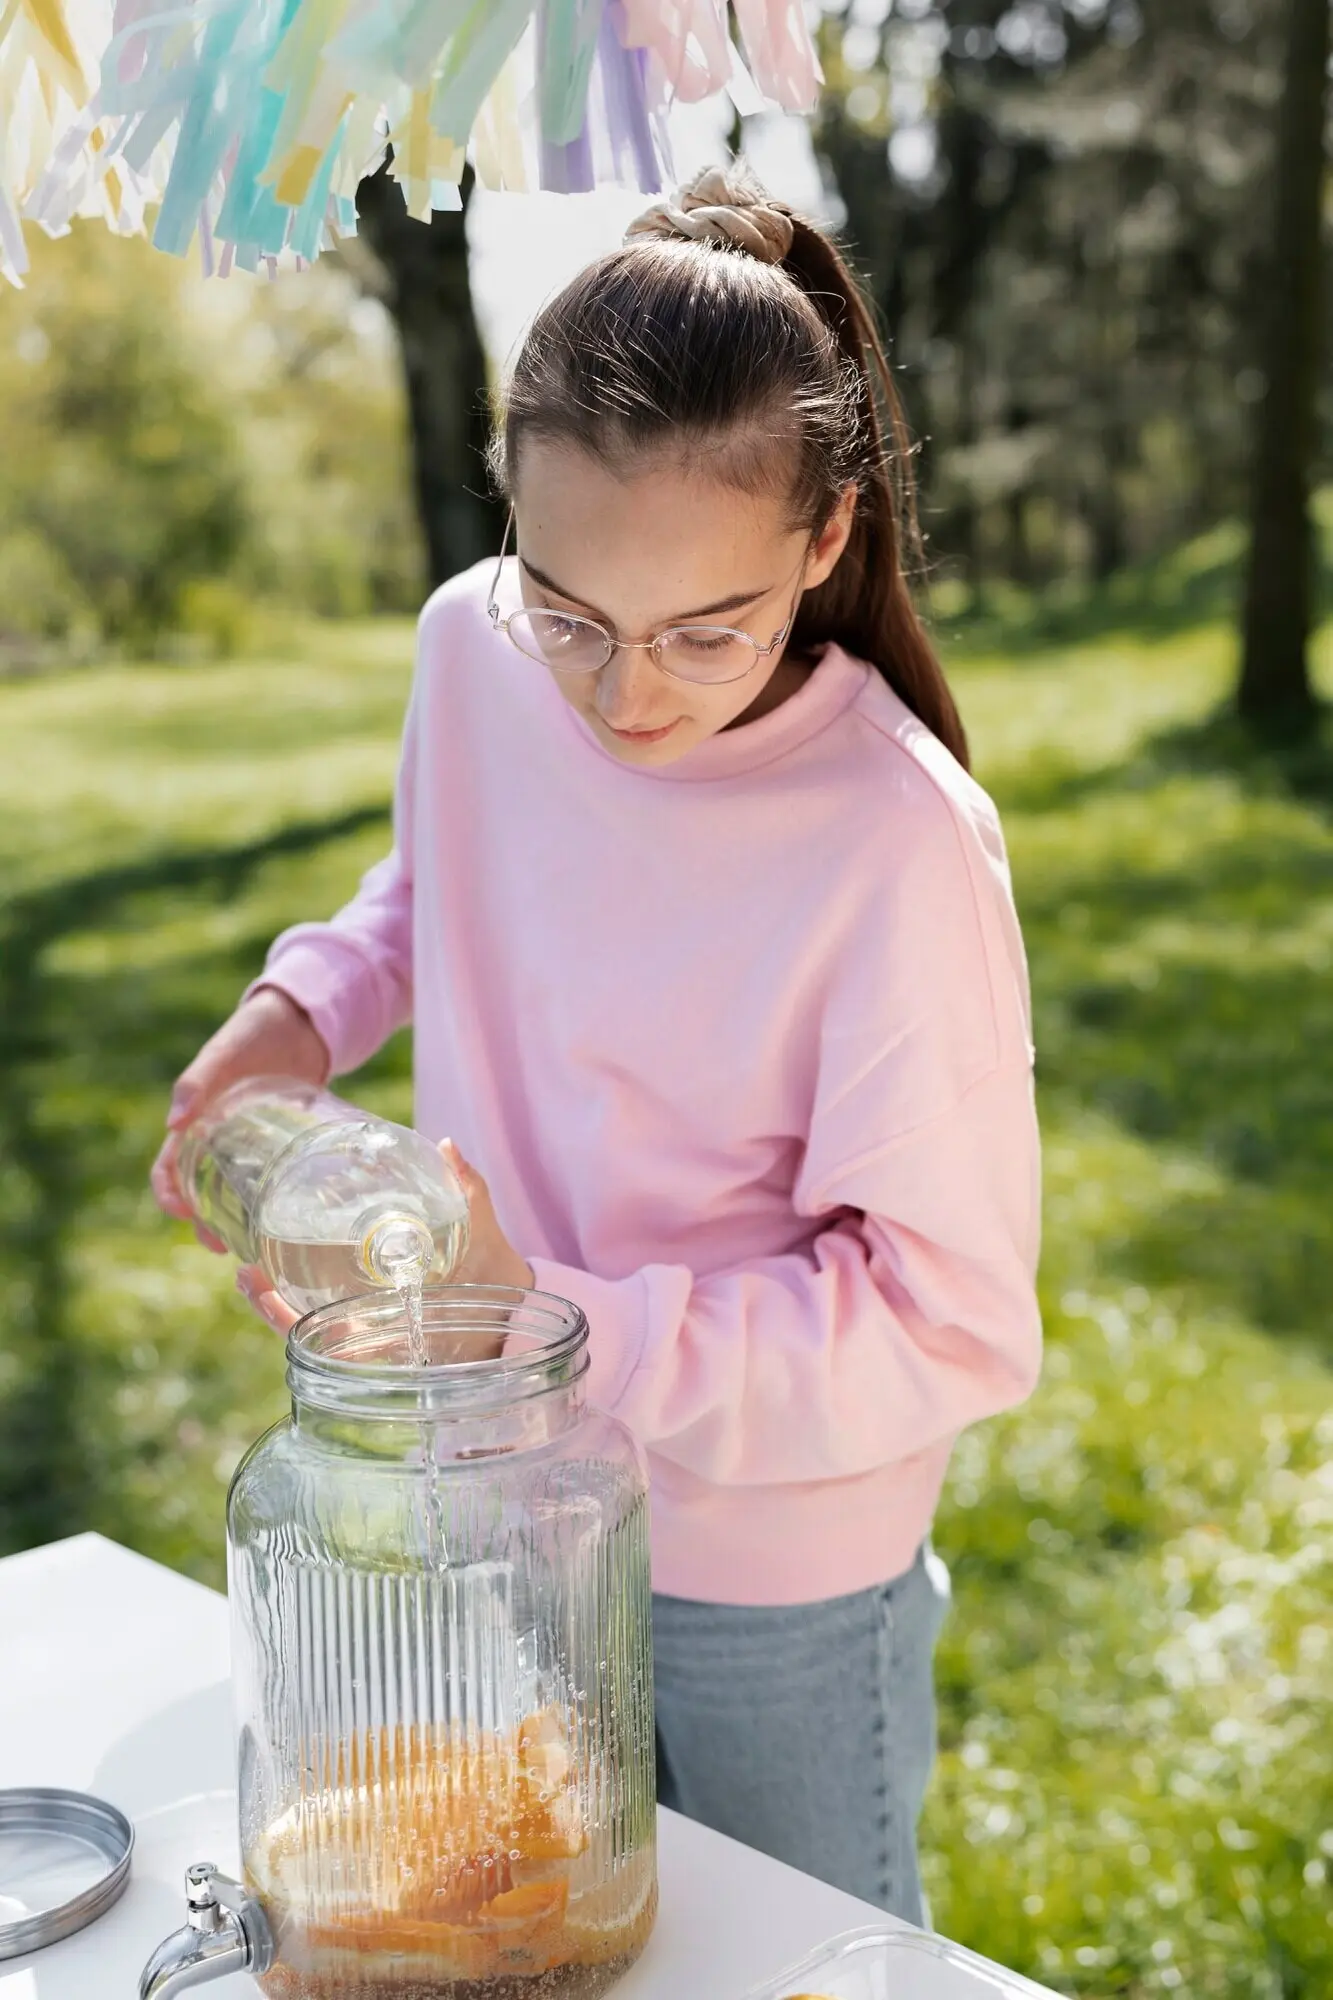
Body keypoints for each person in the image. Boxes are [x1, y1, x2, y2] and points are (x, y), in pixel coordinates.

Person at [152, 165, 1042, 1926]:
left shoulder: (895, 844)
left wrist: (554, 1324)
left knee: (794, 1958)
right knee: (577, 1927)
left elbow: (952, 1322)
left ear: (826, 542)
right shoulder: (472, 657)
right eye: (568, 609)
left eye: (707, 633)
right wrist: (304, 1005)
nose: (625, 696)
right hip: (517, 1500)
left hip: (771, 1570)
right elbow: (445, 874)